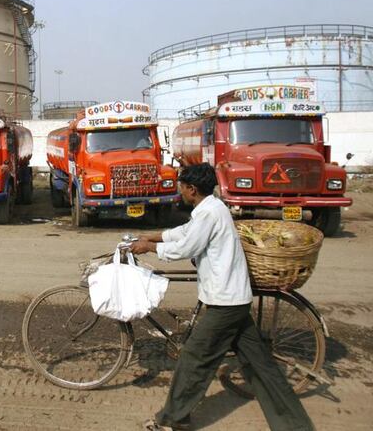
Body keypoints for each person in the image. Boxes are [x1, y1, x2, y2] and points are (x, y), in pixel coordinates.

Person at [130, 163, 314, 431]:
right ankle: (295, 425)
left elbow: (186, 246)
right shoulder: (211, 208)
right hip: (235, 301)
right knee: (261, 366)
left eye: (182, 188)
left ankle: (172, 421)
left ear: (192, 189)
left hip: (225, 304)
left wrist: (149, 247)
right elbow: (184, 233)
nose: (180, 192)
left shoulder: (209, 214)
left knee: (193, 359)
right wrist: (151, 236)